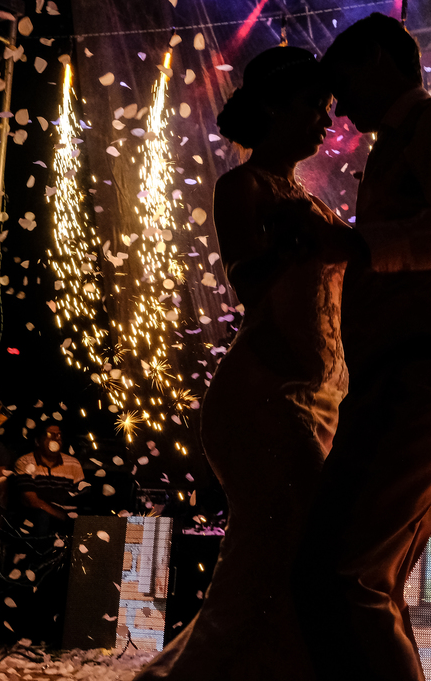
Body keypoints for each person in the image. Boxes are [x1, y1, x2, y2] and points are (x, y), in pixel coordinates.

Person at [292, 13, 431, 681]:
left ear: (380, 62)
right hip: (407, 372)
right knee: (363, 578)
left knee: (346, 572)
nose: (338, 109)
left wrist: (360, 246)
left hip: (425, 373)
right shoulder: (401, 141)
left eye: (344, 83)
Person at [135, 46, 349, 679]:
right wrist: (291, 244)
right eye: (315, 105)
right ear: (276, 108)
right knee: (280, 551)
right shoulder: (242, 186)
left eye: (329, 108)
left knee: (289, 556)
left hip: (316, 392)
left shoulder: (308, 199)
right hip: (265, 397)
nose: (326, 120)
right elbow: (250, 284)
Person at [11, 423, 84, 533]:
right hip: (38, 519)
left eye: (58, 435)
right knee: (41, 516)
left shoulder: (73, 464)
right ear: (37, 441)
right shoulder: (25, 462)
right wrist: (62, 516)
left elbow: (81, 497)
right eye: (50, 435)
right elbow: (32, 501)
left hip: (67, 517)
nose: (55, 439)